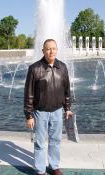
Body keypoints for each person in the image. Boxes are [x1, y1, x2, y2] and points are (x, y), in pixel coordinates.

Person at [24, 39, 73, 175]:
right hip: (40, 112)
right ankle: (40, 170)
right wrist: (29, 115)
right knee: (40, 142)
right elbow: (28, 94)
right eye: (48, 49)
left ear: (57, 50)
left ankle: (54, 166)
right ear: (43, 51)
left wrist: (67, 108)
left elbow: (67, 90)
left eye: (53, 48)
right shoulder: (34, 68)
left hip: (57, 111)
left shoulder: (62, 67)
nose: (51, 51)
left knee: (56, 140)